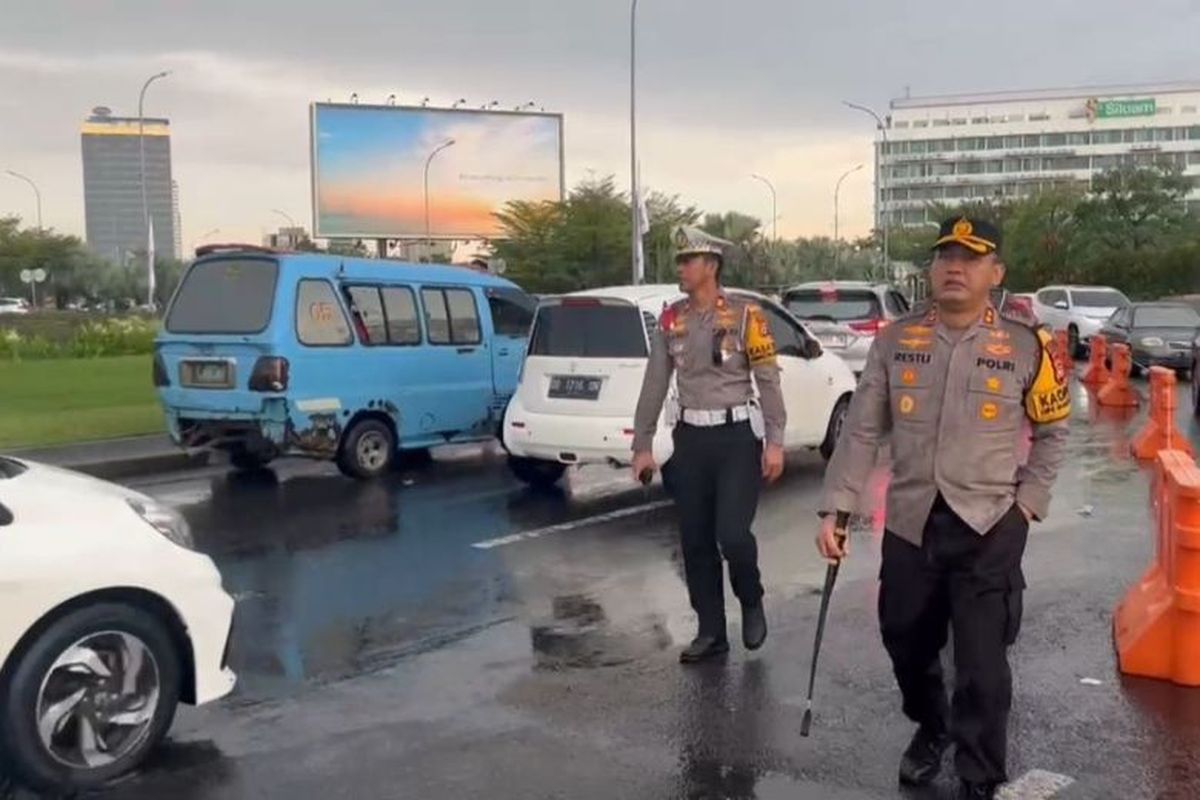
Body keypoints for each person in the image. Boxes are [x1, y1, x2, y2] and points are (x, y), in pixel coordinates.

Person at [816, 217, 1070, 800]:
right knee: (904, 638)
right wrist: (836, 509)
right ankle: (932, 726)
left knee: (983, 667)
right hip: (911, 522)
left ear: (996, 273)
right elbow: (860, 431)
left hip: (989, 524)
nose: (955, 267)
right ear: (930, 269)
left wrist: (1027, 505)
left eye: (971, 257)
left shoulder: (1025, 346)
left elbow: (1054, 432)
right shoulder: (896, 340)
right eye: (944, 256)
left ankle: (979, 777)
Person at [632, 226, 787, 664]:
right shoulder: (671, 318)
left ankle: (751, 598)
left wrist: (775, 441)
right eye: (679, 260)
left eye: (688, 260)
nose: (680, 267)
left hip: (737, 438)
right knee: (695, 541)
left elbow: (769, 380)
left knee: (733, 536)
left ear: (711, 266)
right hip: (690, 440)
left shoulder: (746, 317)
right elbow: (655, 382)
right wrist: (642, 443)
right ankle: (711, 631)